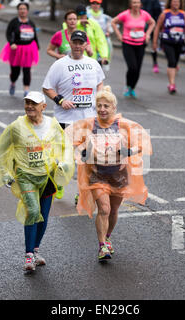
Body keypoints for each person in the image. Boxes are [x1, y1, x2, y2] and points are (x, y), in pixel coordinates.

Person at [65, 86, 152, 261]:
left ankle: (108, 237)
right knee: (104, 209)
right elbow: (68, 138)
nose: (102, 109)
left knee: (113, 211)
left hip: (119, 175)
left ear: (114, 108)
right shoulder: (89, 124)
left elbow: (143, 143)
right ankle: (102, 246)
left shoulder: (124, 125)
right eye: (100, 106)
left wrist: (129, 151)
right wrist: (82, 150)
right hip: (97, 175)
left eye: (106, 106)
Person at [0, 91, 74, 271]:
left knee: (43, 216)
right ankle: (28, 256)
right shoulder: (16, 127)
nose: (29, 106)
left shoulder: (52, 125)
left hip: (48, 177)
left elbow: (64, 146)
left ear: (43, 106)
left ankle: (35, 250)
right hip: (26, 177)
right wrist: (5, 174)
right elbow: (1, 151)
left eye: (33, 103)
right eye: (27, 102)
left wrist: (63, 164)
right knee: (33, 211)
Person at [43, 30, 105, 200]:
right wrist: (60, 100)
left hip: (88, 119)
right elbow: (47, 87)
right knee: (65, 158)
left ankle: (81, 193)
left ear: (86, 45)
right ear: (70, 43)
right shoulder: (59, 64)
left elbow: (100, 83)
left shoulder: (93, 64)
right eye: (75, 42)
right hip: (66, 119)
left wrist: (99, 100)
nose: (77, 46)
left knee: (86, 160)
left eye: (81, 43)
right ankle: (60, 183)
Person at [111, 0, 155, 98]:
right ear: (130, 4)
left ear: (140, 4)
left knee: (138, 69)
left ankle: (132, 88)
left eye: (137, 2)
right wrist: (118, 35)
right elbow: (113, 21)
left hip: (140, 44)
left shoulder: (144, 14)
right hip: (128, 44)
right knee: (132, 67)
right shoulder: (126, 14)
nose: (136, 4)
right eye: (134, 2)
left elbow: (152, 23)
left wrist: (147, 34)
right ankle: (127, 86)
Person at [0, 1, 39, 97]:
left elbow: (34, 35)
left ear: (27, 11)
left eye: (24, 9)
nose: (22, 11)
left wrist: (37, 46)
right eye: (20, 9)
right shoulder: (14, 22)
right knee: (15, 71)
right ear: (18, 11)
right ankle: (13, 83)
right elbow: (8, 33)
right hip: (16, 49)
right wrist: (11, 43)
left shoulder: (31, 23)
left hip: (28, 49)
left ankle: (26, 90)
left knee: (27, 70)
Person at [153, 0, 185, 94]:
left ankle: (171, 80)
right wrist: (155, 42)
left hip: (179, 42)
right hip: (167, 42)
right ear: (170, 3)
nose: (176, 4)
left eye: (177, 2)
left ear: (180, 4)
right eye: (174, 2)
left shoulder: (183, 14)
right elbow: (157, 27)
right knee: (171, 61)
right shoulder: (165, 14)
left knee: (175, 63)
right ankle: (172, 84)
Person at [86, 0, 113, 70]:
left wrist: (108, 32)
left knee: (98, 65)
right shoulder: (86, 16)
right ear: (90, 4)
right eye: (93, 3)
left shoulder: (105, 17)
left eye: (97, 3)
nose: (95, 5)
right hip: (91, 42)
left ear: (100, 5)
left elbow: (111, 25)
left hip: (102, 42)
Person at [141, 0, 162, 73]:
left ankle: (155, 63)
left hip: (153, 27)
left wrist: (157, 27)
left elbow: (159, 15)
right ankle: (138, 62)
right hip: (141, 27)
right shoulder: (141, 1)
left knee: (154, 44)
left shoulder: (155, 2)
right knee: (141, 45)